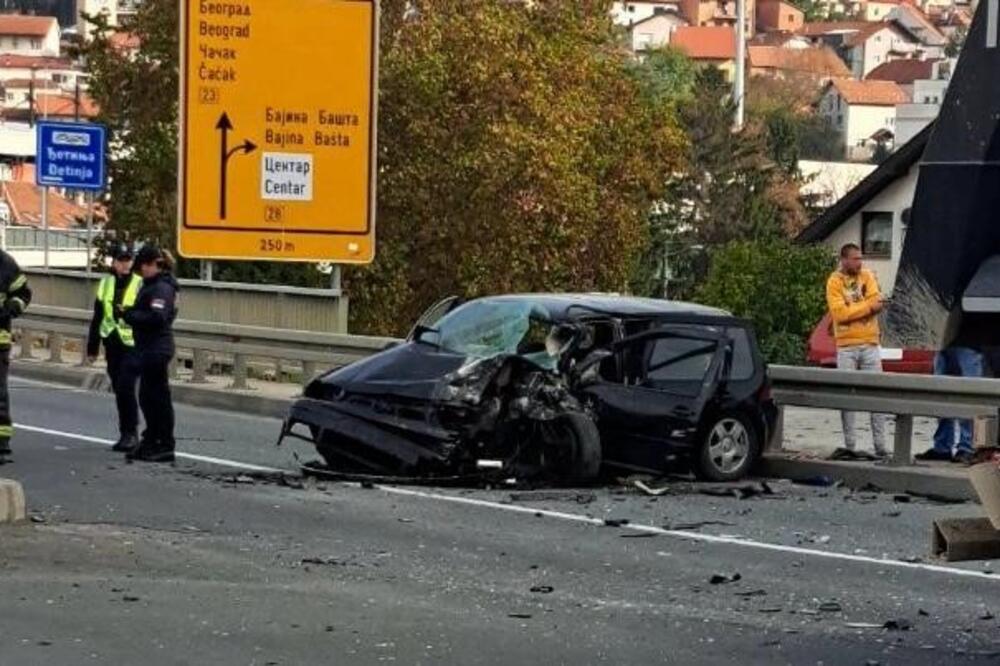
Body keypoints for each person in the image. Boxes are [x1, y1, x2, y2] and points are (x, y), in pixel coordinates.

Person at [825, 243, 888, 458]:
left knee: (877, 397)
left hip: (870, 343)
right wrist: (867, 308)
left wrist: (860, 309)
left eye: (860, 258)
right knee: (847, 399)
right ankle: (850, 446)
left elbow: (877, 301)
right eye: (855, 259)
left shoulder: (867, 275)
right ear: (844, 260)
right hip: (846, 346)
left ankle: (881, 447)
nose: (859, 262)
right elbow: (840, 314)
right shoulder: (834, 282)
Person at [122, 245, 178, 463]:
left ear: (153, 264)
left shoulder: (162, 288)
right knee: (148, 397)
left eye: (144, 266)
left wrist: (131, 316)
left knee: (157, 398)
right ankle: (152, 439)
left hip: (157, 348)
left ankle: (163, 443)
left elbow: (157, 317)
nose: (141, 271)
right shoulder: (152, 285)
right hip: (148, 347)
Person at [86, 243, 143, 453]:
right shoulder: (105, 284)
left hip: (132, 344)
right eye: (121, 260)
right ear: (114, 262)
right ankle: (125, 433)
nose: (125, 264)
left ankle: (131, 433)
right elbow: (97, 318)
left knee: (127, 388)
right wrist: (92, 349)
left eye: (128, 260)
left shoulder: (139, 284)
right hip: (112, 343)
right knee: (120, 389)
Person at [916, 313, 991, 464]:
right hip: (945, 339)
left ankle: (968, 447)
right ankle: (943, 447)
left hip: (973, 340)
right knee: (942, 397)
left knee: (971, 397)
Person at [0, 250, 30, 463]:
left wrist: (12, 307)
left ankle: (1, 443)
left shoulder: (5, 263)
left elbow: (23, 293)